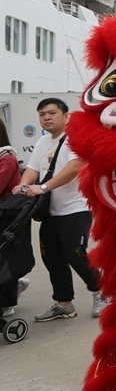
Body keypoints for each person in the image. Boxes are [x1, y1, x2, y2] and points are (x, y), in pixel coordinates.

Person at [12, 98, 106, 321]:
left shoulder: (75, 139)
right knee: (51, 256)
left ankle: (101, 291)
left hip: (76, 208)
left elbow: (75, 166)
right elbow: (33, 169)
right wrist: (23, 185)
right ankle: (64, 303)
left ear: (65, 116)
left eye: (52, 113)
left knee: (74, 252)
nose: (47, 117)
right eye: (42, 114)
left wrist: (43, 187)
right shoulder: (43, 142)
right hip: (50, 211)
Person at [0, 117, 31, 318]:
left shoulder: (7, 158)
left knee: (4, 258)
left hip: (6, 215)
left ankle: (7, 302)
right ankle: (16, 284)